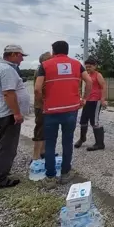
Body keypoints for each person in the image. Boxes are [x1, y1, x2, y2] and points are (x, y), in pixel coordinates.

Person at [34, 40, 92, 181]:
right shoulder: (76, 64)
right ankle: (65, 174)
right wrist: (84, 99)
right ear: (67, 51)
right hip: (71, 110)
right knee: (67, 141)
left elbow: (37, 88)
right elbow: (89, 82)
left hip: (51, 110)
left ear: (53, 51)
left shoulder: (45, 65)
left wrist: (42, 104)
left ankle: (50, 177)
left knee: (50, 143)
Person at [0, 44, 31, 190]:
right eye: (20, 56)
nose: (22, 59)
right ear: (12, 54)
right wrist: (16, 113)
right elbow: (8, 93)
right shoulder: (7, 70)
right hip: (6, 115)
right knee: (6, 148)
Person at [74, 57, 107, 151]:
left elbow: (104, 86)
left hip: (96, 101)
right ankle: (82, 138)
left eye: (90, 66)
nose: (88, 68)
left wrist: (103, 99)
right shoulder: (86, 75)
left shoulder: (98, 75)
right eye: (86, 67)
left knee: (94, 122)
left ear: (95, 66)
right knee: (83, 121)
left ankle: (100, 144)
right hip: (87, 100)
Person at [32, 51, 52, 161]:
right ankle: (35, 156)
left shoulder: (43, 70)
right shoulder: (41, 71)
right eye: (50, 59)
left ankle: (43, 152)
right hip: (41, 105)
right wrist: (41, 103)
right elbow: (39, 90)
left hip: (46, 105)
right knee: (40, 129)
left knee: (46, 129)